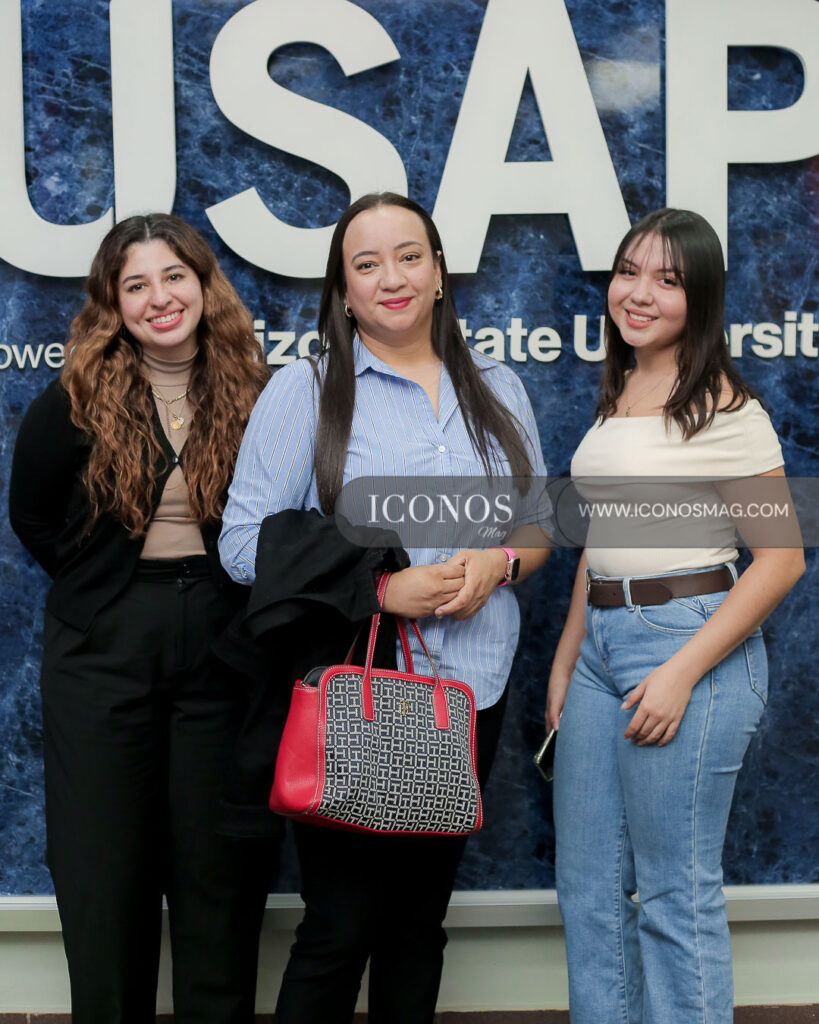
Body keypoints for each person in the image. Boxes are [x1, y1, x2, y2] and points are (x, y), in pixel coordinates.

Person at [219, 191, 551, 1023]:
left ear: (438, 273)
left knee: (417, 926)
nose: (391, 278)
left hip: (471, 691)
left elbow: (539, 526)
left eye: (408, 256)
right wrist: (377, 589)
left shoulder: (499, 386)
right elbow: (242, 545)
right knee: (339, 927)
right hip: (353, 693)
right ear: (343, 290)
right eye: (365, 264)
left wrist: (500, 562)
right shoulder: (306, 391)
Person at [9, 214, 273, 1024]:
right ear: (113, 303)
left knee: (217, 872)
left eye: (174, 276)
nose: (159, 297)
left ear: (204, 285)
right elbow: (32, 516)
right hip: (103, 649)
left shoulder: (259, 391)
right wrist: (105, 588)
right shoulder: (74, 398)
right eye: (136, 285)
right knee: (103, 871)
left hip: (224, 646)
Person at [546, 208, 805, 1024]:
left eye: (667, 280)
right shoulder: (623, 389)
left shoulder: (724, 407)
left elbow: (780, 560)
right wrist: (567, 659)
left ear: (701, 299)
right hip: (600, 648)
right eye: (628, 272)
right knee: (587, 889)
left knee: (671, 892)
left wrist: (680, 673)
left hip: (686, 643)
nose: (638, 293)